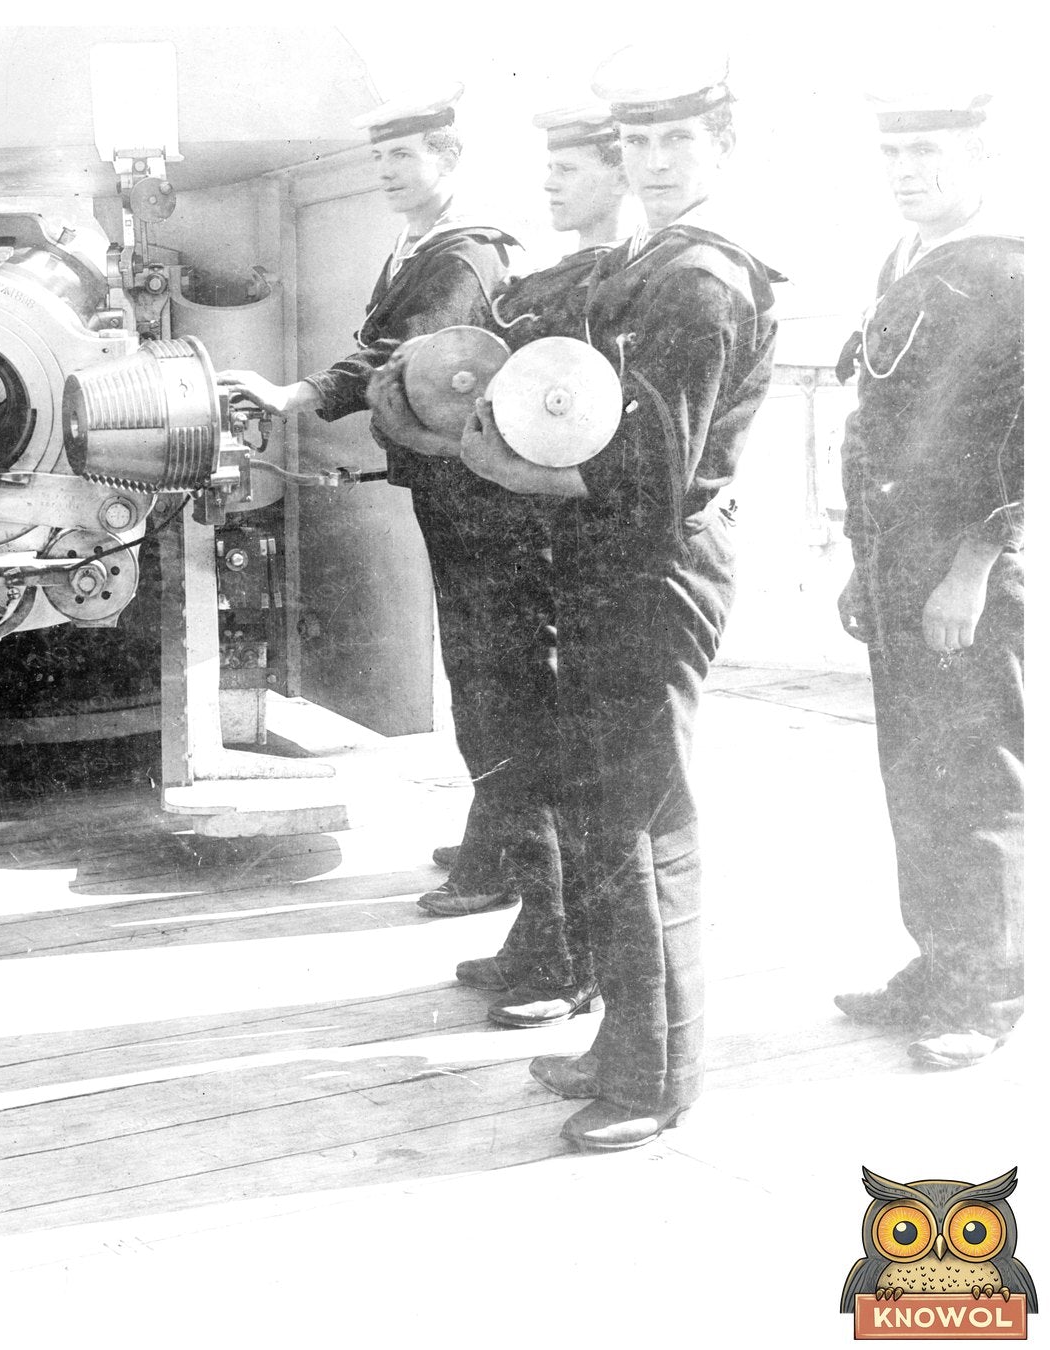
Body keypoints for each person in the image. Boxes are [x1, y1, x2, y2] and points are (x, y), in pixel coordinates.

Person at [433, 47, 781, 1151]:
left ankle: (655, 1079)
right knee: (603, 814)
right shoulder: (641, 261)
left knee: (640, 825)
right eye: (637, 143)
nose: (655, 160)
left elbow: (647, 482)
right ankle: (621, 1045)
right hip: (605, 572)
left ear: (721, 148)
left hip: (649, 573)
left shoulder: (696, 279)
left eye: (678, 140)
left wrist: (497, 468)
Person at [215, 86, 541, 923]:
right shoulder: (418, 245)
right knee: (474, 669)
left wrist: (298, 394)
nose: (389, 172)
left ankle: (504, 856)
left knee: (489, 674)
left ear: (450, 156)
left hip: (480, 493)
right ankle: (495, 829)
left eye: (406, 155)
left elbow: (400, 356)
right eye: (381, 158)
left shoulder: (463, 256)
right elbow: (379, 346)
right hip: (449, 485)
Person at [830, 91, 1022, 1070]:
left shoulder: (1009, 269)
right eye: (893, 150)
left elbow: (1021, 439)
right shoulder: (903, 261)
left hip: (963, 572)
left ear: (983, 155)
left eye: (927, 152)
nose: (906, 169)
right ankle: (936, 960)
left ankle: (985, 990)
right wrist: (865, 565)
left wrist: (972, 569)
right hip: (896, 560)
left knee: (973, 780)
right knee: (912, 775)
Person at [445, 103, 630, 1030]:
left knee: (546, 750)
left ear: (623, 171)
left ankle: (567, 958)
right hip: (499, 540)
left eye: (574, 166)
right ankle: (535, 932)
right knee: (502, 742)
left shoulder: (617, 287)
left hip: (552, 551)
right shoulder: (550, 278)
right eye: (548, 164)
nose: (551, 182)